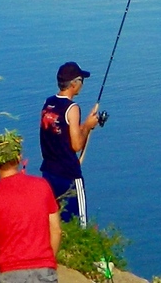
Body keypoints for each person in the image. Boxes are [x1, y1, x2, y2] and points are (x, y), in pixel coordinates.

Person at [0, 132, 60, 283]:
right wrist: (48, 262)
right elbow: (56, 230)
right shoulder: (42, 186)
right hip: (45, 271)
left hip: (10, 274)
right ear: (18, 158)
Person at [38, 60, 101, 223]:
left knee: (53, 221)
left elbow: (61, 133)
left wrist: (85, 125)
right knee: (78, 223)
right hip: (68, 176)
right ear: (74, 83)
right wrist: (87, 126)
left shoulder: (48, 103)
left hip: (48, 173)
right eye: (82, 81)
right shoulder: (72, 108)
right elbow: (76, 145)